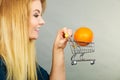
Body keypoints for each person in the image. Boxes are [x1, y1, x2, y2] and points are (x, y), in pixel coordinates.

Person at [0, 0, 72, 80]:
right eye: (36, 15)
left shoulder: (26, 64)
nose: (42, 22)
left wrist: (58, 49)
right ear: (15, 18)